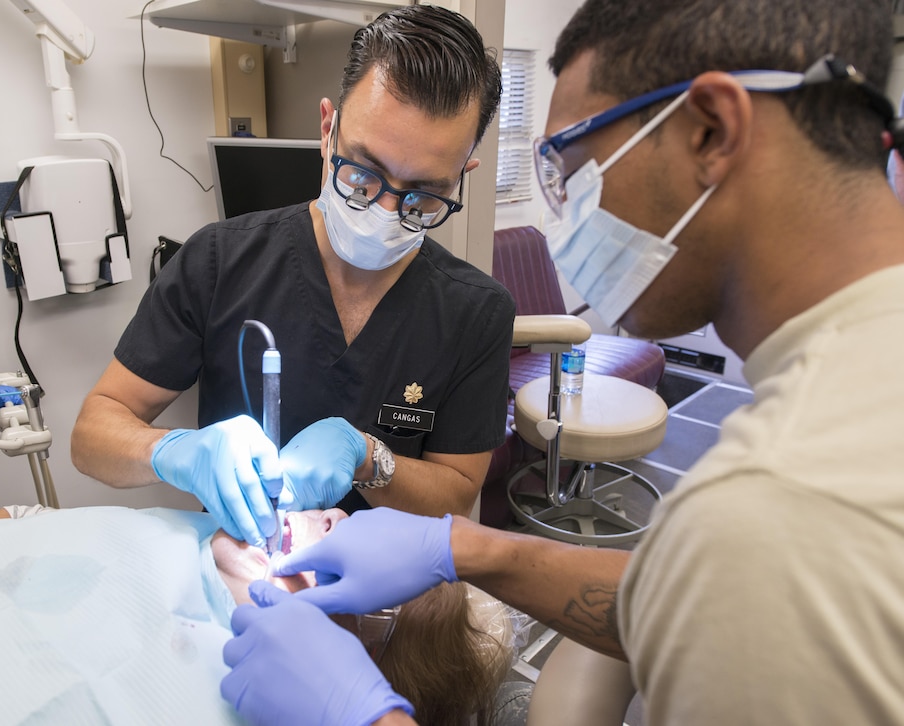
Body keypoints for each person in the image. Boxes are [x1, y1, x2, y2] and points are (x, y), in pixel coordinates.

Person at [218, 0, 904, 724]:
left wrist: (359, 715)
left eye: (572, 167)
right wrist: (468, 550)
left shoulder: (781, 505)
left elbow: (737, 574)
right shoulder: (855, 392)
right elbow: (693, 600)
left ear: (712, 131)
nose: (566, 210)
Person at [70, 4, 513, 549]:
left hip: (390, 595)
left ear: (460, 176)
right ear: (328, 128)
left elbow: (457, 495)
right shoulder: (218, 262)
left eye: (423, 194)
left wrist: (371, 460)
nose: (382, 209)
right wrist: (175, 451)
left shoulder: (475, 312)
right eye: (363, 172)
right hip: (246, 575)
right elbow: (94, 434)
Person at [0, 504, 517, 725]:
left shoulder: (263, 697)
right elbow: (11, 520)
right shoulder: (185, 525)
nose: (334, 516)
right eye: (353, 518)